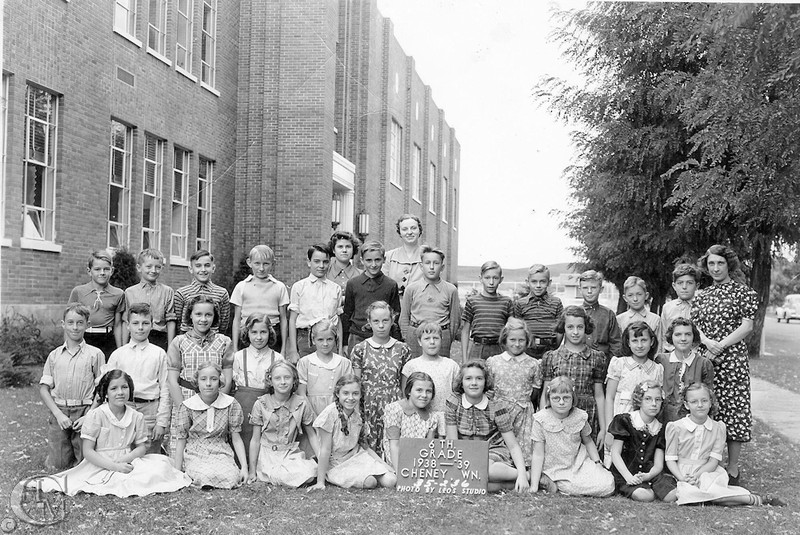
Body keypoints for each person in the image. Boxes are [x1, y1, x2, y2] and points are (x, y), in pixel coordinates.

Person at [40, 370, 190, 496]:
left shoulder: (136, 416)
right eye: (114, 389)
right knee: (113, 481)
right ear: (105, 392)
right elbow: (87, 451)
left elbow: (142, 447)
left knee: (157, 471)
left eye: (124, 387)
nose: (120, 392)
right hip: (100, 461)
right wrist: (114, 466)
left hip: (128, 459)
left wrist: (127, 458)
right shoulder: (96, 415)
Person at [690, 245, 758, 486]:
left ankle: (733, 468)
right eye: (711, 264)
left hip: (733, 360)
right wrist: (707, 342)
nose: (716, 268)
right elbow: (694, 325)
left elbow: (747, 326)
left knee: (734, 408)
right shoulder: (701, 295)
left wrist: (721, 344)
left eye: (720, 263)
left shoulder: (744, 293)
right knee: (705, 405)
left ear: (729, 264)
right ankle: (708, 464)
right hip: (706, 357)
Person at [665, 382, 784, 506]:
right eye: (694, 402)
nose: (700, 405)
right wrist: (683, 478)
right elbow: (671, 460)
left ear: (711, 402)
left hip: (707, 472)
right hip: (682, 473)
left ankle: (755, 499)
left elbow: (713, 461)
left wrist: (697, 475)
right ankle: (746, 499)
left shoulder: (718, 428)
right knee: (688, 495)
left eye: (704, 401)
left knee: (715, 494)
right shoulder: (676, 427)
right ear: (686, 405)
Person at [445, 360, 529, 492]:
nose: (474, 383)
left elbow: (512, 445)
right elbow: (452, 441)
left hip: (492, 450)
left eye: (479, 378)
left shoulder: (496, 407)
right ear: (461, 382)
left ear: (486, 382)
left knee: (486, 470)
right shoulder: (454, 402)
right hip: (465, 451)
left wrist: (523, 475)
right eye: (468, 378)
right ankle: (507, 485)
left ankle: (528, 476)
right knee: (473, 482)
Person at [166, 296, 234, 456]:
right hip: (186, 398)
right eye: (198, 314)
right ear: (190, 315)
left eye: (208, 315)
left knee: (210, 450)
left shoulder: (224, 342)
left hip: (214, 400)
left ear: (214, 317)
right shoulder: (179, 342)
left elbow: (228, 377)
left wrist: (218, 406)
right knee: (182, 453)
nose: (203, 319)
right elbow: (172, 380)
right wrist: (183, 408)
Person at [39, 304, 105, 469]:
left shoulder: (95, 354)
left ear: (87, 325)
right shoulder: (54, 356)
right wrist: (58, 414)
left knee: (84, 464)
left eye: (80, 323)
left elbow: (102, 390)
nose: (75, 327)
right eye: (70, 322)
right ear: (63, 324)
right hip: (60, 411)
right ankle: (57, 452)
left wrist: (89, 415)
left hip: (85, 410)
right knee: (58, 465)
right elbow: (44, 389)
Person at [529, 376, 615, 496]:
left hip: (578, 463)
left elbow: (588, 441)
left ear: (573, 398)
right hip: (555, 466)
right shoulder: (541, 419)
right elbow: (538, 454)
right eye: (556, 398)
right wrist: (533, 486)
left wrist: (597, 462)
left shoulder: (579, 416)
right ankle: (550, 480)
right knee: (573, 486)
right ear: (549, 398)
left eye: (566, 398)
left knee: (607, 484)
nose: (561, 402)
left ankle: (561, 485)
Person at [105, 303, 171, 454]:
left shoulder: (159, 354)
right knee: (123, 454)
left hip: (149, 411)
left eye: (145, 323)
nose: (140, 328)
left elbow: (166, 389)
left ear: (152, 325)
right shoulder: (118, 355)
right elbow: (108, 388)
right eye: (135, 323)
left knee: (150, 456)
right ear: (128, 325)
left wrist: (161, 422)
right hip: (123, 408)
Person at [310, 375, 396, 490]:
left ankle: (370, 473)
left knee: (391, 480)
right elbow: (325, 450)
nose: (350, 398)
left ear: (360, 395)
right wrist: (320, 482)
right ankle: (359, 477)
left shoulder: (358, 415)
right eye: (345, 393)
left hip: (356, 456)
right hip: (337, 463)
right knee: (370, 482)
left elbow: (365, 446)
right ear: (337, 394)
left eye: (355, 393)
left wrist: (384, 464)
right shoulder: (329, 414)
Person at [351, 301, 412, 456]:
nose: (381, 326)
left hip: (394, 403)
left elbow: (405, 387)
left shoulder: (402, 349)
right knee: (370, 448)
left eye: (385, 320)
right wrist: (357, 414)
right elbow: (356, 385)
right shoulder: (360, 349)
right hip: (369, 405)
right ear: (369, 323)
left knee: (393, 445)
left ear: (392, 321)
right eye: (376, 321)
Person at [175, 362, 248, 489]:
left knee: (230, 477)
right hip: (196, 451)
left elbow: (236, 439)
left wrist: (244, 468)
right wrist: (176, 472)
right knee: (205, 475)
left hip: (221, 451)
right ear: (197, 381)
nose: (208, 384)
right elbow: (181, 440)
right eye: (203, 379)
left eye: (213, 379)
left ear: (220, 381)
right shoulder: (187, 406)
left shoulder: (230, 404)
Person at [540, 306, 607, 444]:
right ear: (563, 328)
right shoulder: (552, 357)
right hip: (559, 414)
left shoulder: (596, 357)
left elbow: (599, 395)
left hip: (588, 415)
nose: (575, 332)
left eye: (580, 327)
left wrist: (603, 428)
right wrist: (543, 422)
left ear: (586, 328)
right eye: (570, 327)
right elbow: (546, 393)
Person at [247, 361, 318, 487]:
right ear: (270, 381)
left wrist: (323, 463)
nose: (283, 382)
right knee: (278, 474)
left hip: (290, 453)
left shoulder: (301, 403)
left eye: (287, 377)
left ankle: (286, 474)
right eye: (277, 378)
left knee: (311, 471)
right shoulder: (261, 404)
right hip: (268, 454)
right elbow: (255, 439)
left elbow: (312, 436)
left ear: (294, 380)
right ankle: (272, 475)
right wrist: (252, 471)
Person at [603, 321, 663, 463]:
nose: (640, 345)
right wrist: (609, 429)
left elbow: (657, 399)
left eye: (644, 340)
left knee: (638, 458)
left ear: (652, 341)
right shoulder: (620, 363)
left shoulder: (656, 369)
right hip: (620, 416)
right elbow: (609, 397)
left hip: (645, 421)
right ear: (628, 343)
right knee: (616, 456)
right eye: (635, 340)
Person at [486, 318, 542, 466]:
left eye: (521, 340)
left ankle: (522, 472)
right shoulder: (494, 362)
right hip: (499, 411)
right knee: (500, 446)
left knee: (522, 446)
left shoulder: (533, 364)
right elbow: (489, 389)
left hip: (523, 412)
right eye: (512, 339)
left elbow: (535, 392)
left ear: (527, 340)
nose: (517, 344)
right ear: (505, 339)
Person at [608, 381, 676, 502]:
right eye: (648, 399)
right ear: (639, 400)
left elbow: (658, 464)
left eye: (658, 399)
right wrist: (628, 477)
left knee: (672, 495)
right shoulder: (625, 420)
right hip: (627, 471)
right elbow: (615, 453)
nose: (654, 404)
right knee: (645, 496)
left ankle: (654, 487)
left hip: (649, 472)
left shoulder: (661, 428)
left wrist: (649, 475)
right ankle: (641, 489)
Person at [232, 313, 284, 460]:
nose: (259, 337)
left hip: (268, 406)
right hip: (244, 404)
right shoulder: (239, 356)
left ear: (270, 333)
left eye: (263, 332)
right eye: (254, 332)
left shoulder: (277, 358)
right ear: (247, 333)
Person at [399, 245, 461, 358]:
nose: (431, 267)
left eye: (436, 263)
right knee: (416, 371)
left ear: (442, 267)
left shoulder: (451, 290)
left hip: (441, 335)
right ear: (421, 266)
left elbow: (455, 320)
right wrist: (407, 337)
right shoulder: (411, 289)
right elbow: (404, 317)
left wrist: (447, 338)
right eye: (427, 263)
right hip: (415, 334)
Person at [287, 244, 343, 363]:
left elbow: (337, 321)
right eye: (317, 261)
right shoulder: (299, 287)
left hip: (329, 339)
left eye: (325, 262)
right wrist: (293, 350)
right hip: (305, 339)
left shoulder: (335, 289)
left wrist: (340, 350)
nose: (321, 266)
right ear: (309, 262)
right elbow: (292, 320)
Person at [342, 240, 401, 352]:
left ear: (384, 259)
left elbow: (395, 316)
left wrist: (397, 341)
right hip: (357, 337)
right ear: (362, 260)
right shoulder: (353, 284)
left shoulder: (391, 285)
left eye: (377, 260)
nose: (373, 265)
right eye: (369, 260)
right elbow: (347, 314)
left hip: (383, 338)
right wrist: (345, 342)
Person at [231, 244, 289, 354]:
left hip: (272, 334)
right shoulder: (241, 286)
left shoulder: (279, 287)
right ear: (249, 263)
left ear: (273, 263)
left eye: (266, 264)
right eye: (257, 263)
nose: (261, 268)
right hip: (248, 332)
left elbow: (284, 319)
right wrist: (235, 349)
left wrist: (283, 349)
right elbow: (237, 319)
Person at [68, 249, 125, 358]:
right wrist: (68, 347)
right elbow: (69, 322)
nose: (102, 273)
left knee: (106, 372)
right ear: (89, 271)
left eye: (106, 269)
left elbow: (118, 325)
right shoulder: (78, 292)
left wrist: (119, 350)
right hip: (84, 337)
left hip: (108, 339)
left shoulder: (118, 294)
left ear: (112, 271)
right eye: (97, 269)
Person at [656, 317, 714, 423]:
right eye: (678, 334)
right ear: (671, 337)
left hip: (693, 421)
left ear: (694, 337)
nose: (683, 339)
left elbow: (709, 398)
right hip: (664, 420)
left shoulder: (703, 363)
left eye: (688, 334)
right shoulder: (661, 360)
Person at [383, 372, 443, 472]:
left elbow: (428, 449)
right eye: (419, 390)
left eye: (428, 391)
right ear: (409, 391)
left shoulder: (432, 418)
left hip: (418, 466)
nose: (424, 395)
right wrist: (400, 474)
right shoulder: (394, 409)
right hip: (396, 464)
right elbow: (394, 445)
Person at [122, 248, 176, 351]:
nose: (153, 270)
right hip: (136, 336)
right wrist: (124, 348)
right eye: (149, 266)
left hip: (159, 338)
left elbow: (170, 321)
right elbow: (126, 321)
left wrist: (170, 348)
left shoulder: (167, 291)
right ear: (139, 267)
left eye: (158, 267)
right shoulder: (130, 292)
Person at [297, 319, 354, 417]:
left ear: (335, 339)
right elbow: (301, 393)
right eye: (320, 340)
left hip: (338, 411)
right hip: (312, 411)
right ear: (313, 340)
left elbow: (349, 390)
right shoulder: (305, 362)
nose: (325, 344)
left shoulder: (344, 363)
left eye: (329, 339)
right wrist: (311, 416)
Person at [400, 322, 460, 413]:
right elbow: (406, 397)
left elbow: (458, 394)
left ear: (441, 340)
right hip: (419, 418)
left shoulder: (451, 366)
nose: (432, 342)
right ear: (420, 341)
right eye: (427, 338)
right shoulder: (410, 366)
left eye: (436, 338)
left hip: (445, 417)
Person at [461, 260, 513, 361]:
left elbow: (512, 330)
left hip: (499, 349)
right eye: (487, 278)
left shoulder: (506, 302)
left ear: (501, 279)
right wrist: (464, 359)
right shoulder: (472, 301)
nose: (491, 282)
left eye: (495, 278)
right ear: (481, 279)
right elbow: (465, 331)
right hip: (478, 348)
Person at [174, 249, 231, 335]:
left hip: (213, 340)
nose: (203, 269)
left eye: (207, 265)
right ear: (191, 269)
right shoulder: (181, 293)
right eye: (198, 266)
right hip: (187, 340)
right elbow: (178, 323)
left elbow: (223, 324)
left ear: (213, 268)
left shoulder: (222, 293)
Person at [513, 264, 563, 359]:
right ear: (528, 282)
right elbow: (518, 328)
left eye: (542, 282)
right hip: (528, 349)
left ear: (549, 282)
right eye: (534, 282)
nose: (538, 286)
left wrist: (554, 347)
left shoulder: (556, 302)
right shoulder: (520, 303)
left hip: (549, 349)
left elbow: (560, 329)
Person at [579, 270, 621, 363]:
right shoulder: (575, 313)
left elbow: (616, 344)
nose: (589, 291)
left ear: (601, 289)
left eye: (593, 287)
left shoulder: (609, 314)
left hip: (603, 363)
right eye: (585, 288)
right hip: (579, 362)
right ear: (580, 289)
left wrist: (611, 365)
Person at [660, 263, 699, 353]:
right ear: (674, 286)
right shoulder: (667, 308)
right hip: (672, 354)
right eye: (680, 283)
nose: (684, 287)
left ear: (697, 286)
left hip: (695, 354)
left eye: (689, 283)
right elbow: (663, 336)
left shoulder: (701, 306)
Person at [383, 214, 424, 296]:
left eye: (413, 228)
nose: (409, 232)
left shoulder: (427, 256)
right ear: (400, 233)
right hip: (395, 306)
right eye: (405, 229)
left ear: (419, 230)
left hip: (420, 305)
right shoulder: (389, 256)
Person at [616, 276, 661, 349]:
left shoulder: (655, 320)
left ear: (646, 296)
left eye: (639, 294)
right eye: (630, 295)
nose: (635, 299)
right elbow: (618, 345)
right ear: (625, 298)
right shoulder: (619, 320)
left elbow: (659, 346)